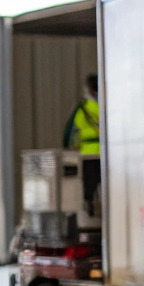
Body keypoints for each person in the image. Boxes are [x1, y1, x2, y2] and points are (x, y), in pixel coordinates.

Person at [63, 73, 101, 216]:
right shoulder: (108, 107)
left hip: (88, 155)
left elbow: (69, 132)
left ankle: (89, 209)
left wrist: (67, 148)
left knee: (89, 187)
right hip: (106, 155)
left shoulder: (82, 110)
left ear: (89, 90)